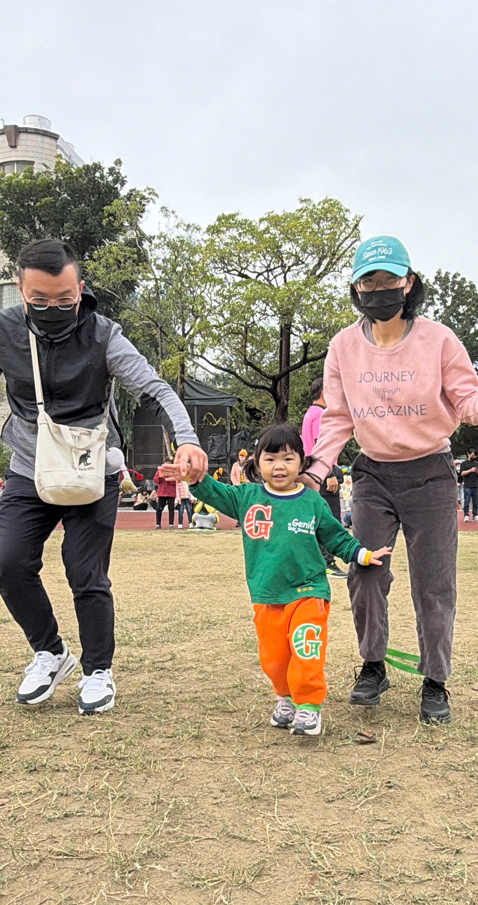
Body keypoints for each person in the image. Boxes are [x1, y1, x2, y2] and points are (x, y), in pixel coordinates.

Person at [302, 235, 478, 723]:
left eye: (389, 279)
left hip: (431, 473)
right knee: (365, 571)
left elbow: (468, 403)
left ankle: (435, 681)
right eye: (369, 282)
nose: (379, 289)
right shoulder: (343, 346)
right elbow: (338, 417)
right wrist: (316, 471)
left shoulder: (439, 340)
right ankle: (372, 665)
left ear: (408, 283)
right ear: (356, 288)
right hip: (372, 474)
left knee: (433, 582)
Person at [0, 239, 207, 714]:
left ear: (80, 289)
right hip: (30, 469)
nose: (53, 309)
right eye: (39, 300)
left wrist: (187, 439)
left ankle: (97, 671)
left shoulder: (104, 335)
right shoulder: (5, 330)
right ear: (20, 291)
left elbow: (155, 389)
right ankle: (50, 652)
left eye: (65, 299)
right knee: (6, 561)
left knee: (84, 570)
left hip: (92, 470)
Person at [165, 423, 391, 736]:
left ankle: (309, 706)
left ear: (302, 463)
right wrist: (194, 478)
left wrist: (362, 554)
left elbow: (337, 537)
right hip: (267, 595)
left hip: (309, 592)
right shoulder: (247, 497)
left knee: (305, 650)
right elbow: (214, 492)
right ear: (257, 465)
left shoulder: (312, 502)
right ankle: (285, 698)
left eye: (287, 458)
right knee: (274, 659)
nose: (279, 466)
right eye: (270, 459)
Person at [301, 377, 346, 578]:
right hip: (323, 471)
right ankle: (327, 562)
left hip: (312, 471)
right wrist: (329, 474)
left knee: (317, 516)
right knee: (329, 518)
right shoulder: (320, 414)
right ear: (323, 393)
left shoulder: (310, 413)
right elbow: (322, 445)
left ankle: (318, 561)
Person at [461, 449, 478, 522]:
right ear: (468, 454)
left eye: (474, 455)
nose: (473, 457)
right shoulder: (464, 463)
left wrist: (477, 472)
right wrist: (470, 470)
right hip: (467, 485)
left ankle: (475, 515)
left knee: (475, 502)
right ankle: (466, 515)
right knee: (466, 501)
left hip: (476, 484)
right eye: (472, 455)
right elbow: (462, 473)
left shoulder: (477, 463)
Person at [153, 462, 177, 529]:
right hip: (162, 492)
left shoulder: (173, 471)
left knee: (171, 509)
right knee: (159, 508)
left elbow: (176, 481)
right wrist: (160, 477)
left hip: (171, 492)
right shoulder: (160, 471)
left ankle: (171, 524)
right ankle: (158, 524)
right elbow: (155, 480)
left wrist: (169, 478)